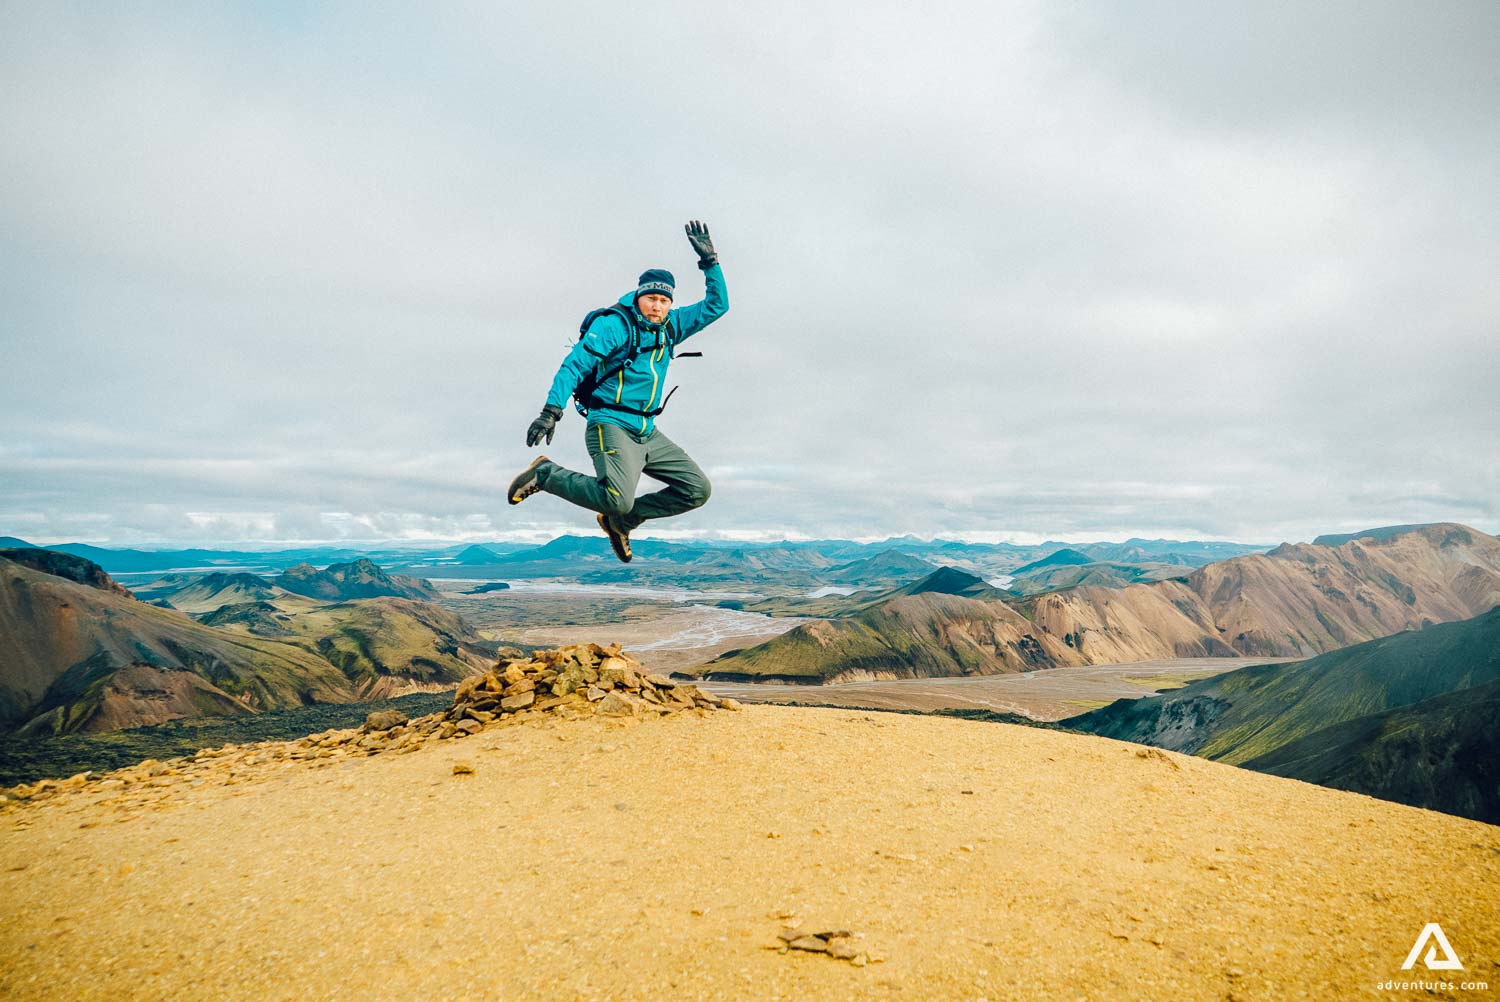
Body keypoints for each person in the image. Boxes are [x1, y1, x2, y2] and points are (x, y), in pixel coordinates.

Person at [507, 220, 728, 563]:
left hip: (647, 431)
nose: (657, 306)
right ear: (639, 297)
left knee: (698, 490)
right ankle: (545, 474)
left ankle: (622, 521)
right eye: (651, 298)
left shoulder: (673, 326)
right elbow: (573, 366)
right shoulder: (614, 325)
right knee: (616, 496)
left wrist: (710, 262)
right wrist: (550, 412)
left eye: (664, 300)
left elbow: (718, 306)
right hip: (609, 422)